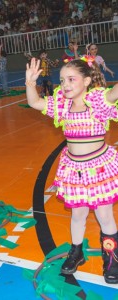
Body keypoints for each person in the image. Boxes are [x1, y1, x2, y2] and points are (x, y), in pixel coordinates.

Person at [25, 57, 118, 284]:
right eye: (62, 80)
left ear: (86, 81)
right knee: (78, 215)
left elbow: (115, 92)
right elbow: (35, 103)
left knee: (104, 215)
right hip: (74, 168)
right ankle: (76, 252)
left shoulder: (98, 100)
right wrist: (30, 84)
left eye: (71, 79)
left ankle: (112, 258)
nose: (65, 84)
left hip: (98, 168)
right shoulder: (62, 105)